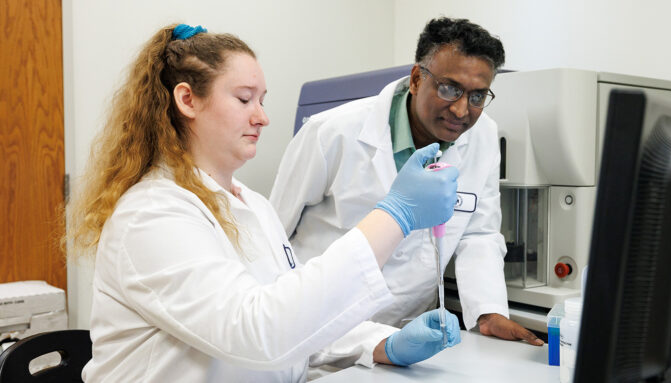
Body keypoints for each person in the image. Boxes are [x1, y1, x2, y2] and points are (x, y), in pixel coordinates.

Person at [67, 24, 463, 382]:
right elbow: (256, 331)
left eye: (262, 100)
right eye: (244, 99)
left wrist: (379, 344)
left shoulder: (253, 206)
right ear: (187, 100)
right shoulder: (151, 214)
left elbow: (291, 312)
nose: (262, 117)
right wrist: (395, 215)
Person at [270, 17, 543, 346]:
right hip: (320, 330)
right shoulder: (333, 132)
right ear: (416, 79)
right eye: (449, 89)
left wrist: (488, 311)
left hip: (408, 336)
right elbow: (273, 236)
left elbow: (479, 232)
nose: (461, 110)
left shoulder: (482, 135)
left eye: (477, 96)